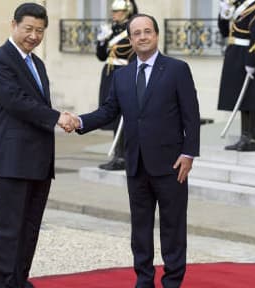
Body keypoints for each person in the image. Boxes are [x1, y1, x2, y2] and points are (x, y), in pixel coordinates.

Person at [68, 14, 200, 288]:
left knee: (172, 227)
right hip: (136, 164)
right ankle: (144, 279)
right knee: (140, 229)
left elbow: (191, 115)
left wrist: (189, 153)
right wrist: (80, 121)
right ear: (130, 39)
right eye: (136, 33)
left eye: (147, 31)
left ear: (156, 35)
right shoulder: (122, 75)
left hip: (171, 164)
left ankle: (173, 281)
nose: (142, 37)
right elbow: (108, 111)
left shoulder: (177, 69)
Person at [0, 3, 75, 287]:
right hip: (11, 160)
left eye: (39, 30)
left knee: (30, 228)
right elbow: (16, 102)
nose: (34, 36)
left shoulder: (38, 64)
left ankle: (19, 280)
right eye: (28, 29)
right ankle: (3, 283)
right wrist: (58, 117)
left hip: (38, 160)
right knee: (8, 230)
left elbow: (36, 104)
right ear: (13, 25)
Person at [218, 0, 255, 151]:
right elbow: (225, 32)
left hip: (247, 55)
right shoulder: (236, 7)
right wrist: (224, 13)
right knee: (241, 99)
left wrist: (252, 61)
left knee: (251, 98)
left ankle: (251, 139)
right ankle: (243, 137)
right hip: (234, 55)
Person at [95, 0, 138, 170]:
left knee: (123, 117)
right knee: (112, 115)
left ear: (127, 11)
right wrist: (101, 41)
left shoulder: (131, 30)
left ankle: (123, 156)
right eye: (114, 11)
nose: (115, 14)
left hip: (123, 73)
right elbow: (101, 56)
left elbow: (134, 56)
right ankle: (117, 155)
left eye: (118, 11)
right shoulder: (111, 29)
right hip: (109, 74)